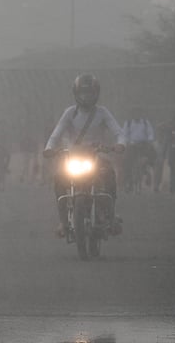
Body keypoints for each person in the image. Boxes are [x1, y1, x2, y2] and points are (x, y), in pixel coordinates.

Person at [43, 74, 126, 237]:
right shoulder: (69, 113)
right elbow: (56, 134)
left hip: (98, 156)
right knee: (60, 178)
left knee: (109, 175)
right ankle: (63, 222)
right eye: (83, 93)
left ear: (96, 94)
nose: (86, 97)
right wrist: (49, 148)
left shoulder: (103, 112)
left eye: (90, 93)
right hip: (73, 156)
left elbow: (118, 132)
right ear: (76, 94)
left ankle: (111, 215)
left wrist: (120, 144)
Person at [122, 107, 157, 192]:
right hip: (132, 145)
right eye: (134, 114)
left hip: (143, 144)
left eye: (138, 113)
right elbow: (124, 135)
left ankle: (148, 172)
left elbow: (150, 133)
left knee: (152, 156)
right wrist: (128, 142)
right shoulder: (128, 123)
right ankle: (128, 182)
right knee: (126, 162)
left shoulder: (145, 123)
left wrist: (149, 140)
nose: (136, 115)